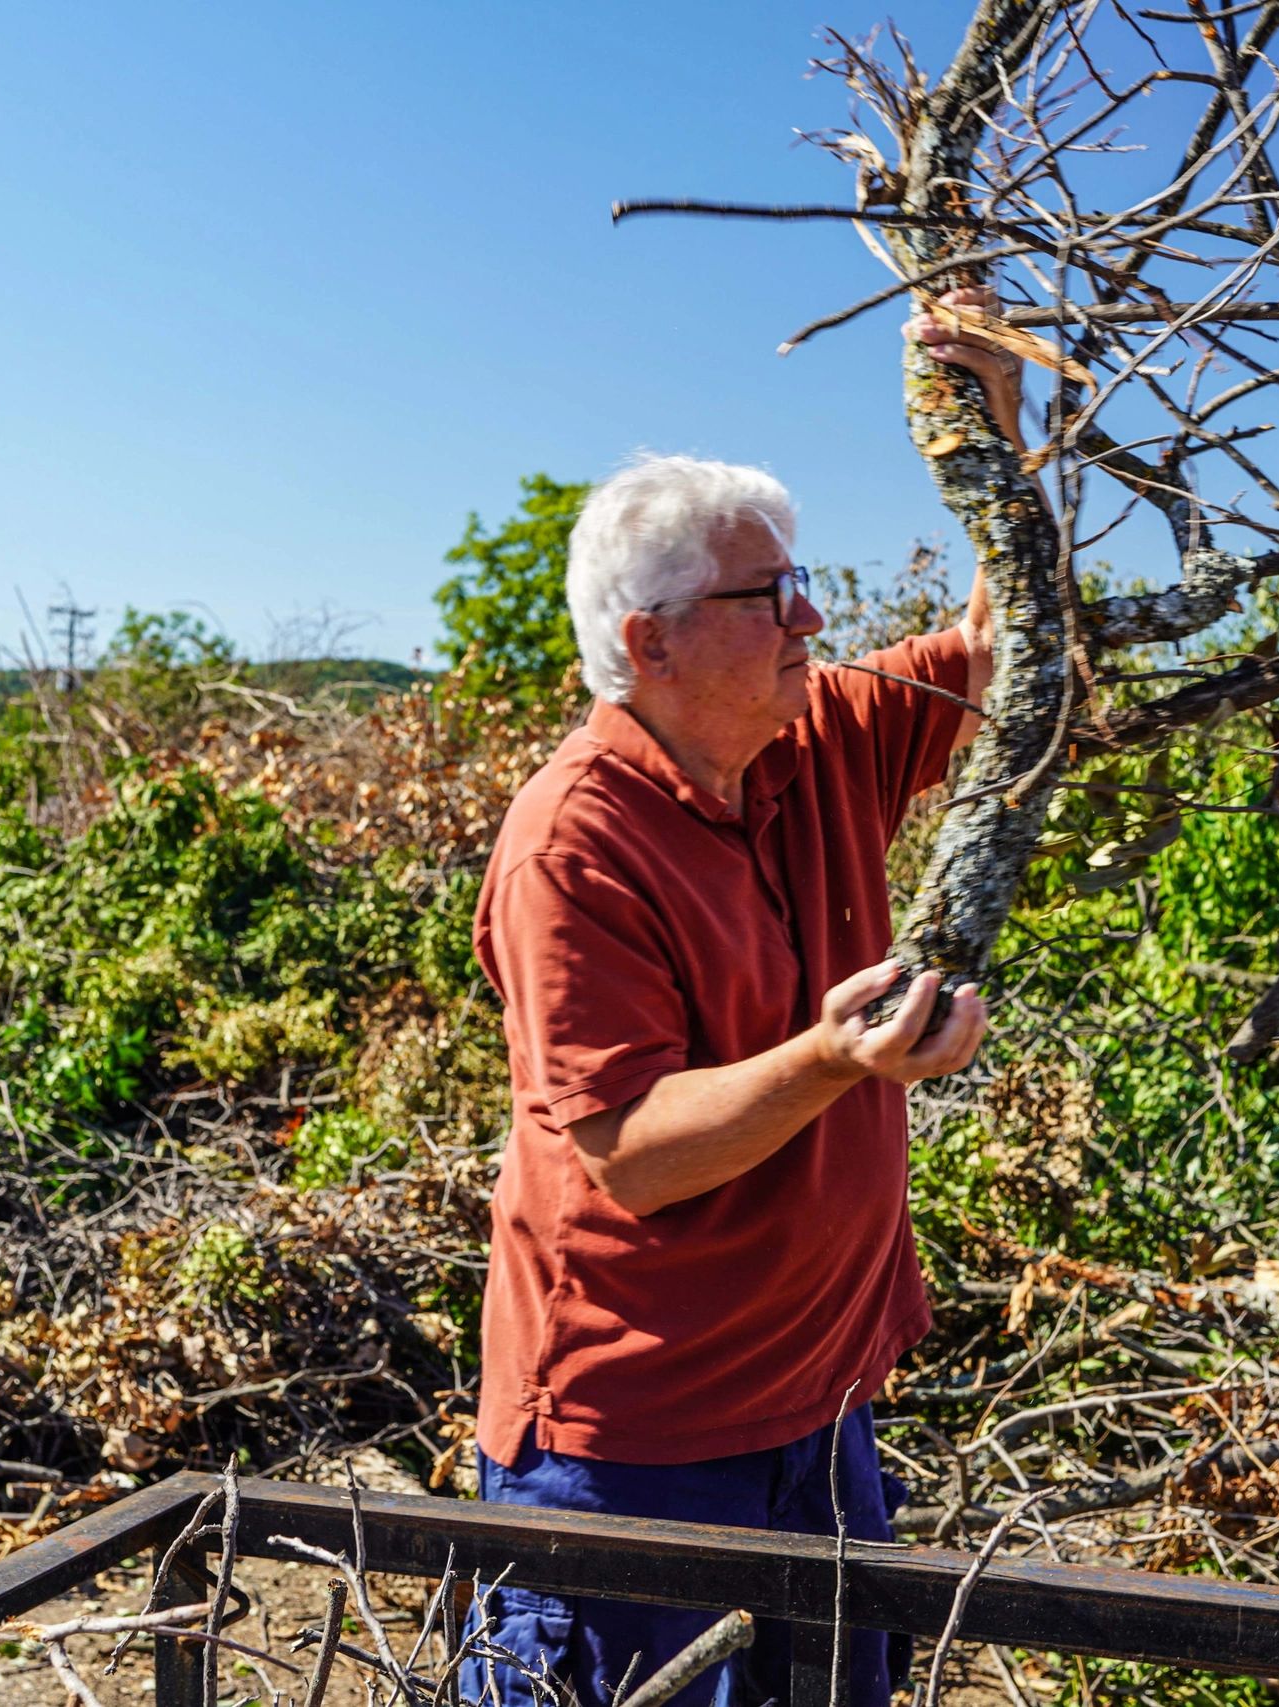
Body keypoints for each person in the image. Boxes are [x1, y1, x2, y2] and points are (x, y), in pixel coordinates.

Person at [463, 301, 1023, 1707]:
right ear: (649, 643)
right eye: (764, 597)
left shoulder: (814, 731)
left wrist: (995, 428)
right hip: (633, 1443)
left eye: (801, 583)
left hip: (818, 1407)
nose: (812, 618)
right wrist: (840, 1057)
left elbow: (1016, 652)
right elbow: (637, 1153)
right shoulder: (571, 844)